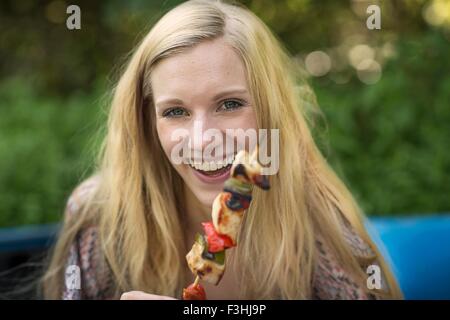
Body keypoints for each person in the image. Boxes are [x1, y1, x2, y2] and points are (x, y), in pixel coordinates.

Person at [41, 0, 402, 300]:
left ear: (269, 109)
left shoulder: (317, 218)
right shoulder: (99, 216)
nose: (202, 140)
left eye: (229, 104)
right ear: (147, 121)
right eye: (175, 112)